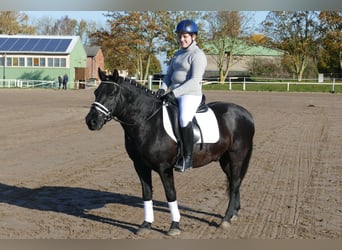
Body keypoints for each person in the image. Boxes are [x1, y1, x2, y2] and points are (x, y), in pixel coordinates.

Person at [156, 19, 207, 172]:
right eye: (179, 36)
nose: (182, 39)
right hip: (173, 93)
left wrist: (174, 93)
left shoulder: (198, 55)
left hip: (190, 94)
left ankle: (188, 157)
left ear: (193, 37)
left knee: (184, 118)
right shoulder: (177, 54)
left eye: (185, 36)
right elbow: (169, 75)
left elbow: (195, 81)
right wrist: (162, 89)